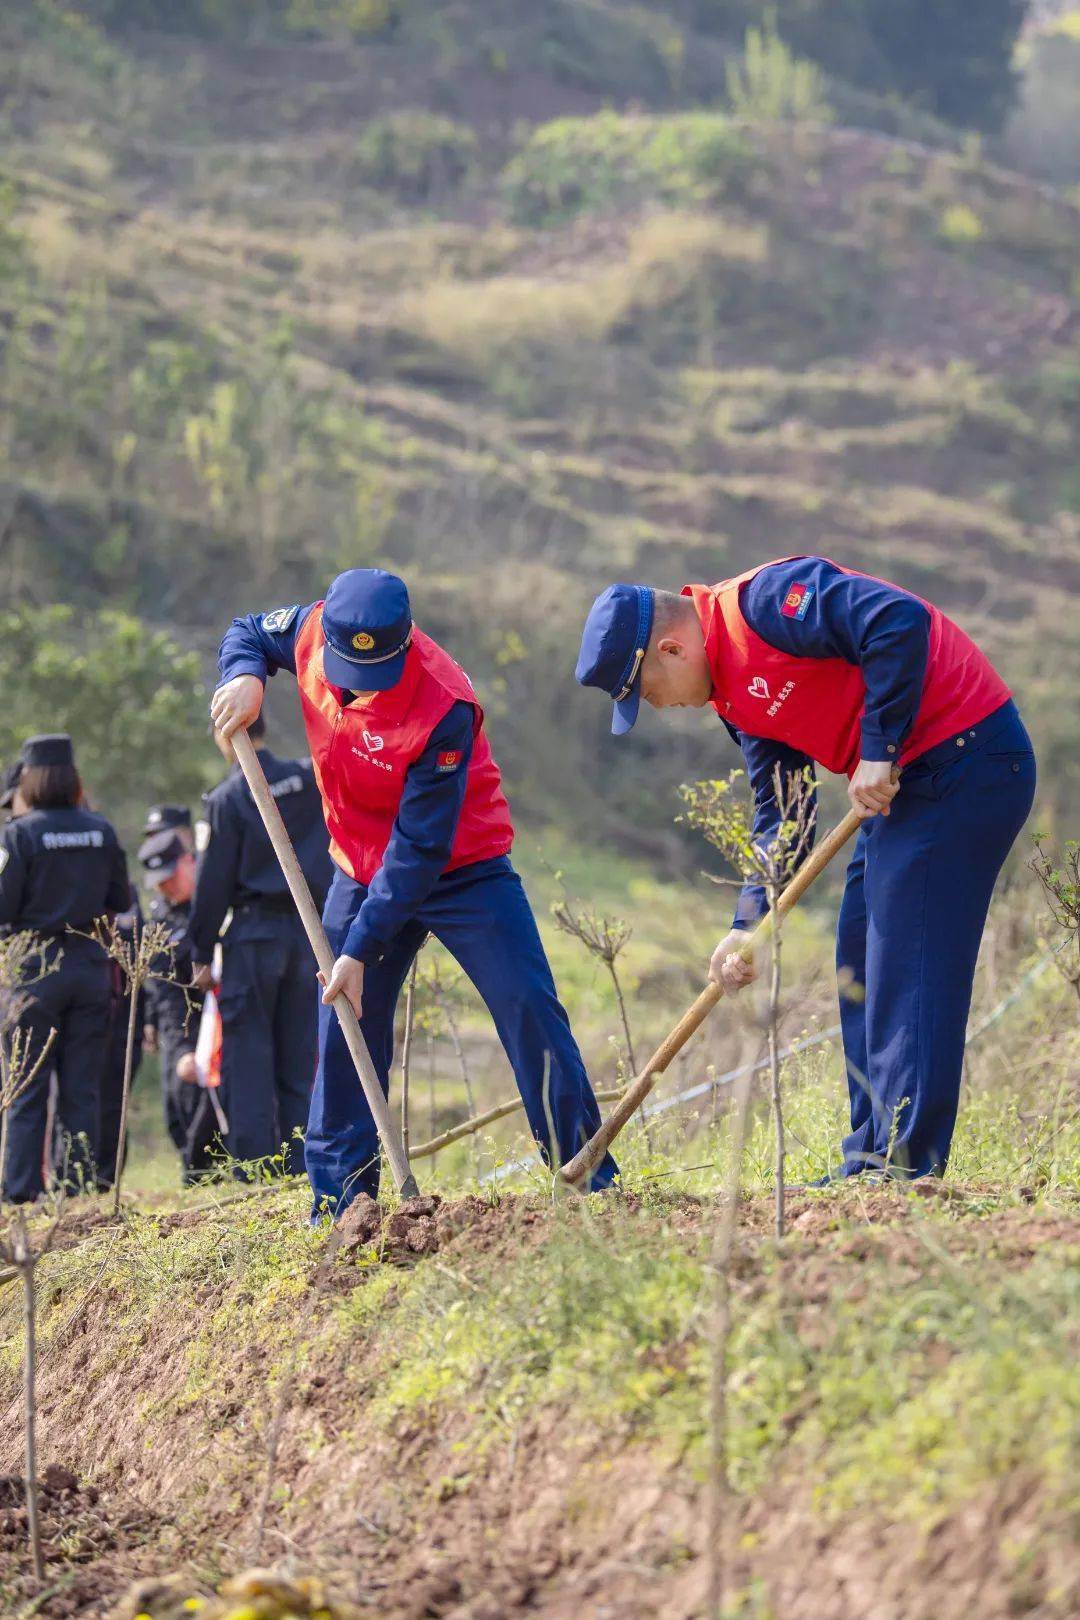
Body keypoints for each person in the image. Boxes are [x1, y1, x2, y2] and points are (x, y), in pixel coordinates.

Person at [576, 556, 1036, 1182]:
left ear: (672, 647)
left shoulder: (766, 604)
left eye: (646, 691)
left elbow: (897, 622)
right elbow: (784, 811)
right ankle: (872, 1157)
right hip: (906, 791)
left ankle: (904, 1170)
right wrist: (748, 923)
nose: (657, 706)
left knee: (906, 960)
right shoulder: (735, 701)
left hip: (966, 759)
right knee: (860, 962)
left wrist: (878, 748)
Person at [209, 568, 618, 1216]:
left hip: (462, 866)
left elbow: (420, 849)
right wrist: (245, 677)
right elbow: (248, 633)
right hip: (357, 863)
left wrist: (360, 945)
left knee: (528, 1008)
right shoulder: (311, 631)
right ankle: (341, 1203)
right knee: (345, 1019)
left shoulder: (443, 704)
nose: (357, 689)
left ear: (405, 646)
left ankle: (588, 1180)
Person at [187, 711, 332, 1178]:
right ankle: (300, 1164)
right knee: (298, 1055)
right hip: (309, 932)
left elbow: (213, 884)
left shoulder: (229, 798)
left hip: (253, 937)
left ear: (222, 734)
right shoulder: (306, 778)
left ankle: (253, 1168)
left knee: (248, 1057)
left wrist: (199, 949)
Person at [0, 734, 130, 1201]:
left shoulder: (19, 835)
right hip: (90, 969)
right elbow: (122, 900)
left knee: (27, 1087)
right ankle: (75, 1187)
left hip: (35, 972)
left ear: (29, 780)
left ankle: (20, 1193)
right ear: (74, 777)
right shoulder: (101, 830)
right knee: (82, 1088)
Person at [140, 827, 218, 1182]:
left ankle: (207, 1171)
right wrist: (184, 1047)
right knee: (179, 1099)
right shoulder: (158, 922)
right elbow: (166, 992)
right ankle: (196, 1173)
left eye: (172, 878)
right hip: (185, 1022)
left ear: (188, 862)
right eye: (160, 883)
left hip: (226, 1017)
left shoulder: (216, 897)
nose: (167, 888)